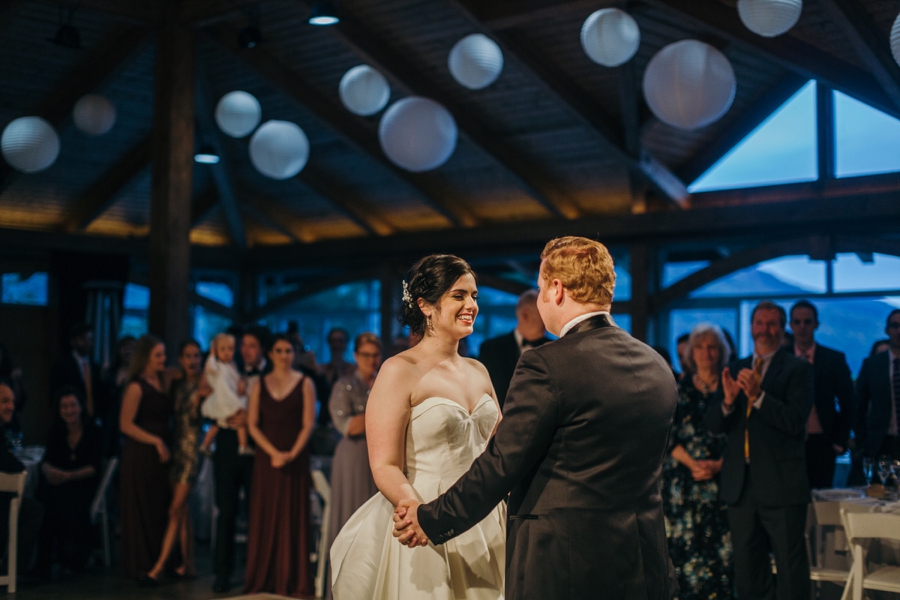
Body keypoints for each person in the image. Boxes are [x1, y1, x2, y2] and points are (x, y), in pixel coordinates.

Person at [392, 239, 679, 599]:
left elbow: (502, 465)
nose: (540, 298)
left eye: (541, 288)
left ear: (556, 289)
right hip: (644, 562)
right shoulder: (656, 364)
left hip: (566, 564)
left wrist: (431, 519)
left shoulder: (547, 365)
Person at [330, 254, 505, 599]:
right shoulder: (398, 370)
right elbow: (384, 463)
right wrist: (417, 511)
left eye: (474, 296)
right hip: (426, 506)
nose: (471, 305)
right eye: (459, 296)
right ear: (425, 305)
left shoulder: (479, 370)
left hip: (483, 510)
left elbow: (500, 447)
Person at [706, 300, 813, 600]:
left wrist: (759, 396)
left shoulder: (799, 369)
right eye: (759, 323)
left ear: (782, 328)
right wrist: (728, 403)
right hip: (740, 484)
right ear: (751, 327)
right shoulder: (735, 368)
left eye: (772, 323)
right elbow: (712, 424)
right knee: (747, 567)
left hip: (782, 482)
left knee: (790, 566)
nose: (765, 329)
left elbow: (795, 422)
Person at [662, 324, 733, 599]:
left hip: (723, 481)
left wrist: (718, 465)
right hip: (684, 483)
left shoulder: (730, 388)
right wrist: (693, 463)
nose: (706, 352)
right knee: (684, 556)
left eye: (712, 347)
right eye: (700, 347)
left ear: (721, 352)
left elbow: (741, 437)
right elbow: (666, 435)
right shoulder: (677, 388)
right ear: (691, 353)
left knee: (722, 557)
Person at [244, 334, 316, 597]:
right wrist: (274, 453)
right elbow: (252, 425)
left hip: (295, 458)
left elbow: (309, 423)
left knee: (292, 515)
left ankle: (291, 577)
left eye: (288, 351)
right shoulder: (259, 384)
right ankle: (264, 576)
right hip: (267, 459)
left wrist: (291, 453)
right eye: (279, 350)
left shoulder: (305, 383)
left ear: (294, 354)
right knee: (265, 513)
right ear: (270, 354)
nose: (284, 355)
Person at [325, 332, 382, 598]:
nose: (371, 360)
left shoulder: (385, 382)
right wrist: (383, 412)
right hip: (353, 458)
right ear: (356, 356)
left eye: (376, 355)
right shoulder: (344, 385)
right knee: (351, 521)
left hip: (382, 455)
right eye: (366, 355)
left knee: (379, 525)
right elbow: (348, 426)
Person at [143, 340, 205, 585]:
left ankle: (158, 567)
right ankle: (189, 565)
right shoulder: (175, 381)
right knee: (183, 511)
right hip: (174, 447)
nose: (193, 360)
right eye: (188, 356)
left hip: (192, 450)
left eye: (196, 356)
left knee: (175, 509)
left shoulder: (206, 384)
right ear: (180, 359)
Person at [211, 327, 267, 593]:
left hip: (258, 448)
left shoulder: (269, 375)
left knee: (257, 511)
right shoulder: (225, 369)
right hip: (227, 446)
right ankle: (222, 572)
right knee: (226, 510)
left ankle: (255, 570)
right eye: (243, 345)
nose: (245, 350)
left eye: (252, 345)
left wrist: (252, 418)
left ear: (262, 349)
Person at [118, 334, 173, 580]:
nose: (163, 359)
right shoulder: (136, 386)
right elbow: (125, 424)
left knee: (158, 506)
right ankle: (142, 563)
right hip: (140, 453)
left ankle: (160, 562)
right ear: (145, 358)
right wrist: (156, 440)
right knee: (143, 507)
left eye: (163, 354)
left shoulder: (163, 379)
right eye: (158, 355)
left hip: (160, 455)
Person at [35, 387, 102, 578]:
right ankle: (44, 562)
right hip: (61, 483)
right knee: (44, 498)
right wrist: (49, 471)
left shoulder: (93, 431)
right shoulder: (57, 430)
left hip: (82, 482)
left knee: (65, 500)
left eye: (73, 405)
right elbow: (46, 460)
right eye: (64, 406)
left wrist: (69, 475)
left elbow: (94, 467)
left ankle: (73, 559)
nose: (69, 410)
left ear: (81, 407)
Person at [789, 300, 855, 489]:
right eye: (797, 322)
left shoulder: (833, 359)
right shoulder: (781, 358)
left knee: (822, 495)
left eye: (807, 322)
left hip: (823, 441)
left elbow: (849, 402)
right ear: (791, 325)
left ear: (816, 324)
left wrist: (839, 441)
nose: (802, 327)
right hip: (789, 441)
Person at [477, 289, 548, 409]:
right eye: (543, 314)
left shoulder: (552, 347)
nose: (547, 321)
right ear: (525, 314)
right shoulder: (491, 349)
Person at [0, 381, 42, 574]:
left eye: (12, 401)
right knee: (34, 510)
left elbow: (16, 442)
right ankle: (13, 569)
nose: (11, 406)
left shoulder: (7, 427)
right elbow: (11, 463)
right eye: (4, 401)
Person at [856, 309, 900, 461]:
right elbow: (859, 406)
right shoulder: (872, 365)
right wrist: (863, 441)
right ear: (887, 330)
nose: (899, 331)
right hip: (881, 443)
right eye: (895, 326)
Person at [200, 333, 251, 457]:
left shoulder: (233, 365)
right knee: (220, 424)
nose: (227, 353)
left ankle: (242, 446)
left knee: (222, 424)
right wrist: (212, 355)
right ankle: (206, 444)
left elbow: (236, 379)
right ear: (216, 350)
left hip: (231, 397)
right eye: (222, 349)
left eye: (230, 349)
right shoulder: (216, 365)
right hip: (224, 398)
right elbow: (210, 369)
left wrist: (241, 383)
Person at [50, 322, 101, 419]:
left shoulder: (95, 367)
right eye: (83, 339)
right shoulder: (61, 366)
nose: (87, 343)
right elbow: (55, 395)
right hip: (70, 416)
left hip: (92, 418)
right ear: (73, 341)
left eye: (90, 340)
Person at [99, 335, 135, 456]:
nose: (128, 351)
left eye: (131, 348)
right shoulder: (110, 373)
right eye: (124, 348)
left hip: (129, 422)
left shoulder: (138, 376)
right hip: (109, 422)